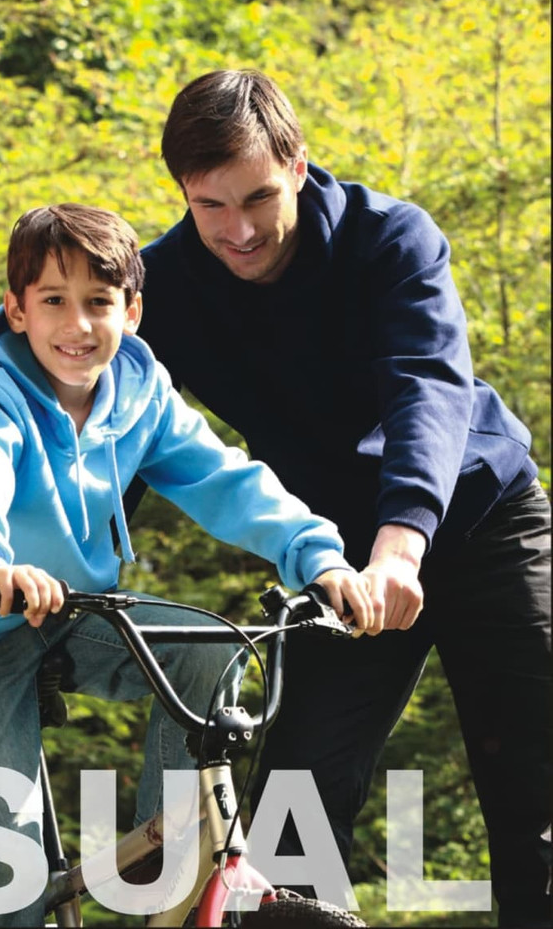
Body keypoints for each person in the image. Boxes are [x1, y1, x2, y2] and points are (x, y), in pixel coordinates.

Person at [132, 67, 551, 929]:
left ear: (297, 162)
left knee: (536, 784)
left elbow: (425, 388)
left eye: (258, 197)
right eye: (212, 206)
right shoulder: (162, 287)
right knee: (295, 805)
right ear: (183, 191)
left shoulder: (391, 238)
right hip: (332, 557)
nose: (239, 230)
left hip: (475, 519)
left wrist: (402, 542)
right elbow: (120, 434)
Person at [0, 202, 374, 928]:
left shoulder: (141, 394)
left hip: (76, 614)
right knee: (8, 875)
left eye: (99, 302)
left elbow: (225, 480)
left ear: (133, 310)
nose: (78, 325)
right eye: (53, 301)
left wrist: (317, 556)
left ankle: (162, 860)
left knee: (210, 652)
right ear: (17, 311)